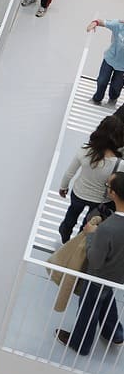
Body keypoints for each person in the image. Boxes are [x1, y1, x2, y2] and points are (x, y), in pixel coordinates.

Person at [57, 170, 124, 355]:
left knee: (88, 307)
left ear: (113, 194)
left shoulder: (107, 228)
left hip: (99, 275)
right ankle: (115, 333)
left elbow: (95, 260)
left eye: (108, 186)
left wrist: (90, 235)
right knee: (106, 297)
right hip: (118, 275)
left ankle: (81, 343)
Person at [57, 115, 124, 243]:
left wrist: (63, 187)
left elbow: (69, 173)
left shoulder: (85, 150)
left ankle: (65, 234)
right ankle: (79, 241)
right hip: (100, 201)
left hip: (78, 193)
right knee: (89, 222)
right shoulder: (119, 164)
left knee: (72, 214)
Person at [88, 18, 124, 106]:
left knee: (116, 87)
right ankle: (97, 98)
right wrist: (94, 23)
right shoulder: (118, 25)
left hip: (122, 67)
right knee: (102, 81)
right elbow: (101, 22)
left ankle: (113, 99)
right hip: (110, 59)